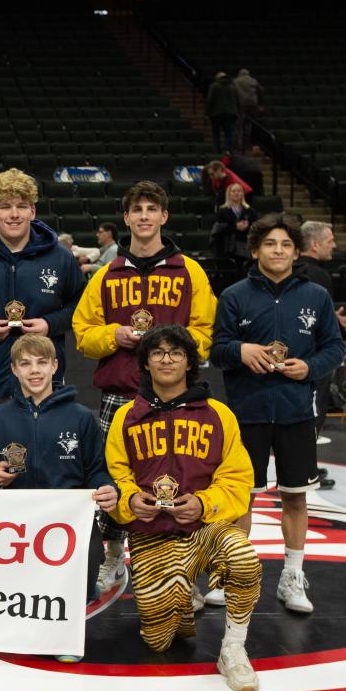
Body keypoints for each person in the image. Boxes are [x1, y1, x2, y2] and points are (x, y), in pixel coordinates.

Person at [72, 180, 215, 594]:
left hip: (177, 395)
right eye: (138, 210)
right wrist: (113, 336)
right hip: (121, 394)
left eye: (153, 209)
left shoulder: (190, 271)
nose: (145, 216)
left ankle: (183, 570)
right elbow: (83, 333)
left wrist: (169, 348)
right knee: (113, 480)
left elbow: (205, 332)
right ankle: (114, 557)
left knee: (183, 477)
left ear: (164, 216)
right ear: (127, 218)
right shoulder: (106, 274)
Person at [105, 324, 260, 691]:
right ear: (145, 363)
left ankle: (234, 650)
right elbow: (115, 474)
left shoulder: (219, 414)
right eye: (157, 352)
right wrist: (129, 500)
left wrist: (205, 503)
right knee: (160, 641)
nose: (167, 359)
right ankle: (180, 593)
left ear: (190, 361)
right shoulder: (126, 416)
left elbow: (238, 478)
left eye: (176, 352)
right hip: (152, 534)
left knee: (243, 557)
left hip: (204, 529)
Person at [211, 218, 344, 614]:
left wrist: (311, 367)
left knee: (295, 496)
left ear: (297, 251)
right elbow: (216, 350)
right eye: (270, 244)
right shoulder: (234, 296)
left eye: (286, 244)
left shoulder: (316, 295)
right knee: (239, 500)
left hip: (296, 411)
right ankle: (229, 573)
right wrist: (241, 352)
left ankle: (292, 577)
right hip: (246, 412)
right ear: (255, 251)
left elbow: (334, 347)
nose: (279, 251)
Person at [0, 334, 118, 662]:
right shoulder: (0, 418)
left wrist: (108, 489)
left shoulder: (81, 417)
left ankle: (66, 628)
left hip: (69, 522)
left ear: (55, 365)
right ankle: (18, 624)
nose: (34, 370)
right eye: (25, 364)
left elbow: (98, 470)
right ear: (14, 369)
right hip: (18, 525)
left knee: (80, 577)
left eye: (42, 362)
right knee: (15, 584)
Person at [0, 167, 84, 416]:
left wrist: (49, 324)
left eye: (22, 206)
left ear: (32, 211)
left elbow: (79, 305)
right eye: (5, 206)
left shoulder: (60, 258)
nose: (14, 214)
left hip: (46, 389)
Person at [297, 220, 346, 486]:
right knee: (314, 412)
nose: (334, 245)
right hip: (316, 356)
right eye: (330, 240)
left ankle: (305, 465)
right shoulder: (319, 275)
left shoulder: (293, 270)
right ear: (315, 244)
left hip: (299, 354)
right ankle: (306, 469)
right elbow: (319, 318)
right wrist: (339, 330)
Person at [211, 181, 255, 266]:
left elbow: (256, 227)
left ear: (242, 194)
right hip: (226, 248)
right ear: (229, 194)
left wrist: (248, 226)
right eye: (233, 191)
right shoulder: (222, 211)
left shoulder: (250, 210)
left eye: (239, 191)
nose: (236, 193)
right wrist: (235, 226)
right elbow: (217, 229)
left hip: (244, 247)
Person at [205, 71, 240, 153]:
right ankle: (229, 150)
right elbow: (237, 100)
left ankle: (217, 149)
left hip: (216, 113)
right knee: (229, 133)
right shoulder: (233, 86)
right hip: (230, 113)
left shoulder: (214, 86)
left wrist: (207, 112)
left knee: (216, 133)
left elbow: (210, 100)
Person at [233, 68, 264, 151]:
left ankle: (239, 145)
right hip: (253, 105)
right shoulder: (253, 80)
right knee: (248, 124)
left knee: (239, 125)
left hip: (241, 105)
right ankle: (246, 144)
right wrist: (260, 103)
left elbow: (233, 92)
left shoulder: (236, 81)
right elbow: (261, 90)